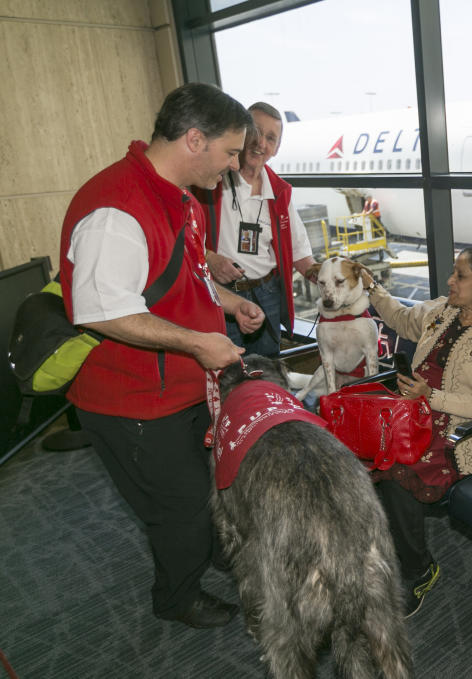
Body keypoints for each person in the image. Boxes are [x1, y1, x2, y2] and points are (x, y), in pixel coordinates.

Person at [59, 83, 263, 629]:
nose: (231, 166)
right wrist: (199, 342)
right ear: (194, 139)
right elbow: (103, 312)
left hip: (183, 387)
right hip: (134, 403)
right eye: (228, 152)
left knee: (208, 487)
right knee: (180, 509)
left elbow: (186, 278)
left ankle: (208, 551)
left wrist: (230, 303)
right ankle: (176, 597)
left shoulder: (181, 198)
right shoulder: (117, 208)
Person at [359, 246, 472, 616]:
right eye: (453, 273)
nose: (450, 281)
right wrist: (372, 287)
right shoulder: (442, 310)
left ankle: (419, 568)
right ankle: (378, 551)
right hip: (415, 413)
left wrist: (431, 396)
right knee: (357, 451)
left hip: (464, 431)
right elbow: (402, 318)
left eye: (460, 276)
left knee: (396, 471)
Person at [199, 101, 316, 357]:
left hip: (267, 294)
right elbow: (183, 238)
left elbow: (300, 255)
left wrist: (334, 280)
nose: (261, 143)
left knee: (267, 367)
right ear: (241, 132)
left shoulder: (280, 193)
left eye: (271, 138)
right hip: (222, 292)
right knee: (228, 367)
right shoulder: (210, 182)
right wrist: (209, 257)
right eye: (255, 131)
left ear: (276, 148)